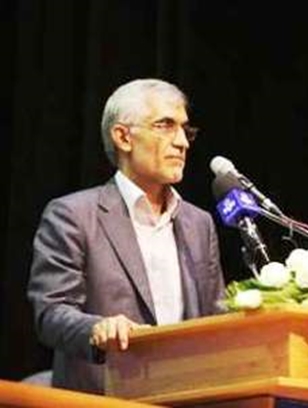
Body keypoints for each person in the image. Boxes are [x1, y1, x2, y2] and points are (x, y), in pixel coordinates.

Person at [27, 79, 226, 394]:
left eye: (185, 130)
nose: (182, 143)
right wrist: (97, 328)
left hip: (186, 395)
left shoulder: (198, 223)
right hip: (101, 395)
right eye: (165, 125)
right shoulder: (73, 215)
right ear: (123, 137)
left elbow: (216, 317)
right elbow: (51, 312)